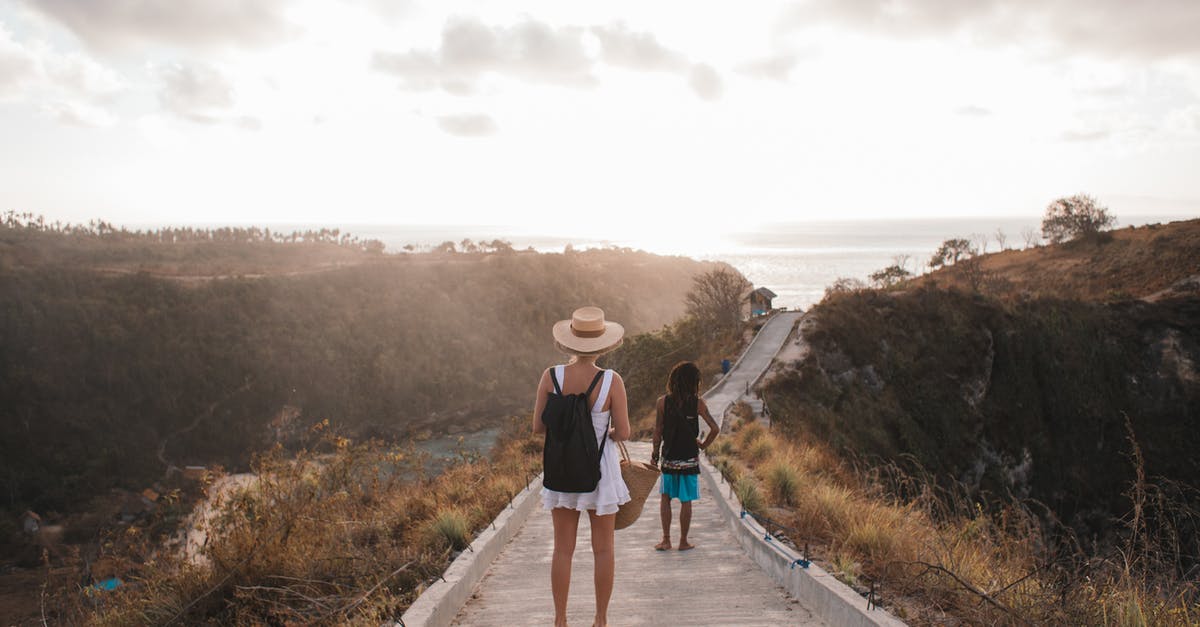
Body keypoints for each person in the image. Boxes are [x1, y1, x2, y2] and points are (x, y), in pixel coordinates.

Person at [533, 306, 631, 627]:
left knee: (563, 549)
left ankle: (560, 620)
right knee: (603, 549)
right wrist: (602, 431)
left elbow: (538, 426)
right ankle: (600, 619)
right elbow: (625, 432)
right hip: (600, 470)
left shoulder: (551, 376)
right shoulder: (610, 381)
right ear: (603, 343)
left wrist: (568, 430)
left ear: (569, 341)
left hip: (561, 466)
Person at [651, 361, 719, 551]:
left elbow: (658, 431)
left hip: (669, 458)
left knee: (665, 497)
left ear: (673, 380)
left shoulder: (662, 402)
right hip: (689, 458)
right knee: (685, 500)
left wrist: (654, 455)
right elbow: (715, 428)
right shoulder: (698, 404)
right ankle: (683, 541)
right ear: (694, 382)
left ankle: (665, 540)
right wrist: (703, 445)